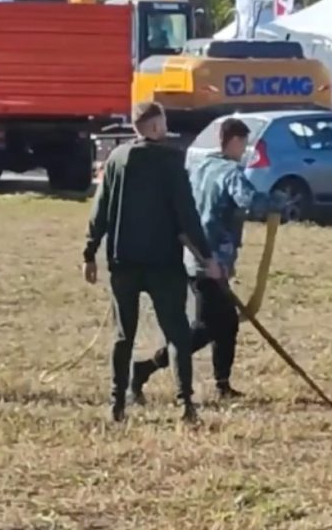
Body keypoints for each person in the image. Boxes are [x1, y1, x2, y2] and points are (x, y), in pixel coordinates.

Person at [83, 101, 221, 423]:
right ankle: (186, 404)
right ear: (156, 126)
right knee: (177, 334)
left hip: (123, 261)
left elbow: (100, 209)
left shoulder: (117, 159)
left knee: (122, 335)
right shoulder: (171, 161)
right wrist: (207, 257)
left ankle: (118, 403)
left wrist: (90, 251)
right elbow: (187, 215)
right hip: (163, 264)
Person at [130, 118, 283, 404]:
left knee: (226, 324)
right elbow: (250, 201)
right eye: (244, 145)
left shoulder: (201, 168)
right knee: (206, 328)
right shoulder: (230, 172)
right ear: (235, 141)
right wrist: (277, 202)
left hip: (192, 255)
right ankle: (145, 368)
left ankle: (222, 385)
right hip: (211, 261)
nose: (245, 151)